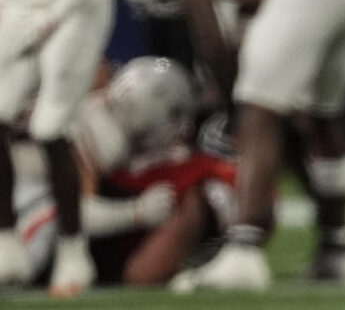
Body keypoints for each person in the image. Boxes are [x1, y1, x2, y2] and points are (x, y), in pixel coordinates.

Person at [106, 0, 345, 291]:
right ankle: (338, 251)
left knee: (259, 110)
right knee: (321, 118)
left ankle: (243, 252)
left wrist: (236, 108)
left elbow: (211, 40)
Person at [12, 56, 236, 286]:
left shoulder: (92, 106)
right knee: (47, 217)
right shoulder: (103, 138)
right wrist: (135, 213)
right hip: (20, 198)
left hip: (17, 190)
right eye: (174, 114)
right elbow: (75, 213)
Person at [0, 0, 114, 297]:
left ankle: (73, 252)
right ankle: (6, 245)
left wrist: (54, 16)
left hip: (74, 0)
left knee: (49, 127)